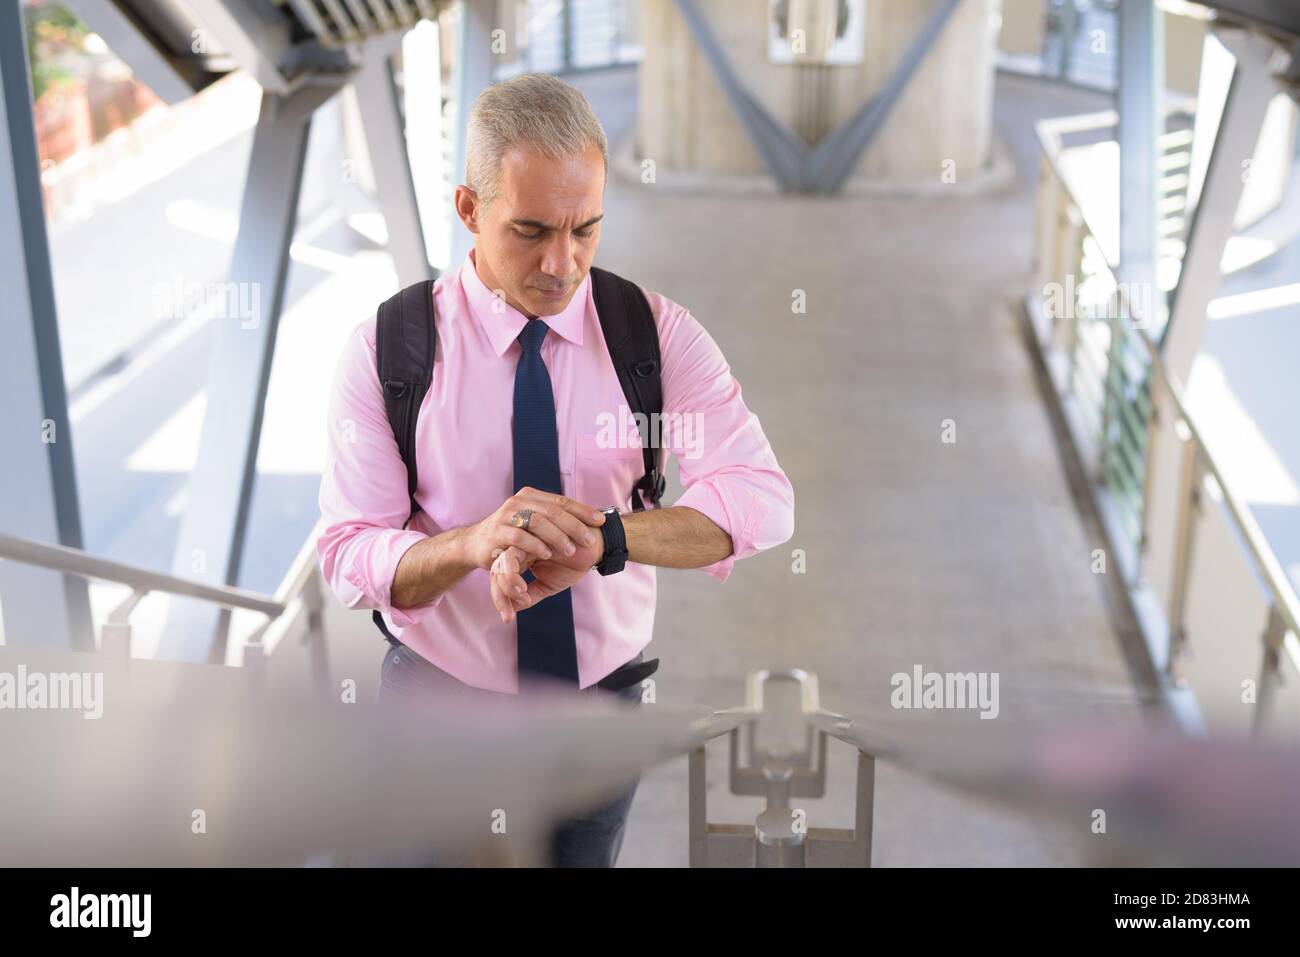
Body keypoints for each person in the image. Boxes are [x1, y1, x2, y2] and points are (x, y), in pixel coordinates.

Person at [316, 72, 795, 867]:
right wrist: (473, 545)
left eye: (585, 230)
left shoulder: (655, 338)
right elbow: (348, 551)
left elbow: (763, 501)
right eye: (531, 230)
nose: (561, 262)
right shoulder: (388, 350)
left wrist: (609, 537)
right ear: (470, 209)